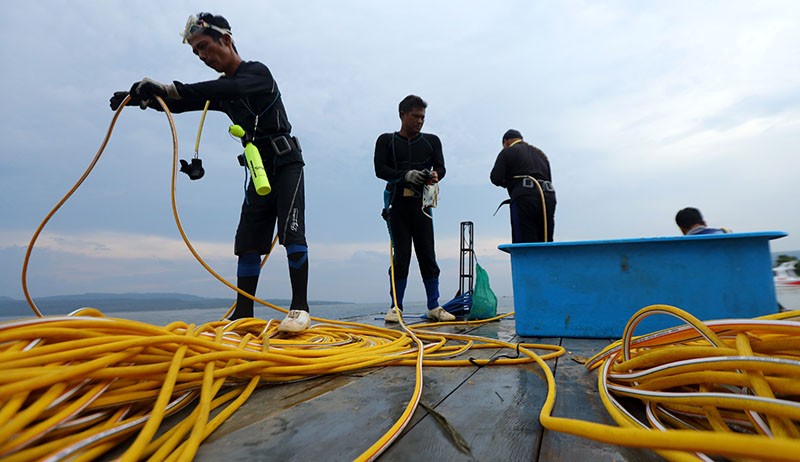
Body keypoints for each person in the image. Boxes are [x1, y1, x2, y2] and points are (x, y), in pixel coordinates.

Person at [109, 13, 310, 333]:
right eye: (196, 52)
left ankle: (300, 309)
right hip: (257, 167)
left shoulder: (257, 73)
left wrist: (169, 87)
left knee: (291, 231)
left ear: (226, 40)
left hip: (286, 163)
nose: (202, 56)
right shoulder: (221, 89)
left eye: (204, 46)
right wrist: (138, 99)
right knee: (247, 241)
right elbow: (183, 102)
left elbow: (221, 88)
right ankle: (243, 314)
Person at [374, 95, 455, 323]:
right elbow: (380, 169)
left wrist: (436, 175)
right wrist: (405, 176)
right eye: (415, 116)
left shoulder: (432, 141)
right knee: (401, 256)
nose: (420, 121)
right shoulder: (386, 141)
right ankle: (395, 307)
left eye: (423, 117)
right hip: (397, 204)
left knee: (427, 254)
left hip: (422, 206)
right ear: (402, 115)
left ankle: (433, 305)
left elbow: (441, 167)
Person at [490, 129, 556, 243]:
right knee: (545, 241)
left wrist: (509, 183)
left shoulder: (508, 152)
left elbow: (495, 178)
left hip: (524, 198)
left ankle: (526, 259)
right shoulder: (541, 155)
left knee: (525, 241)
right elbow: (549, 178)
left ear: (505, 142)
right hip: (547, 197)